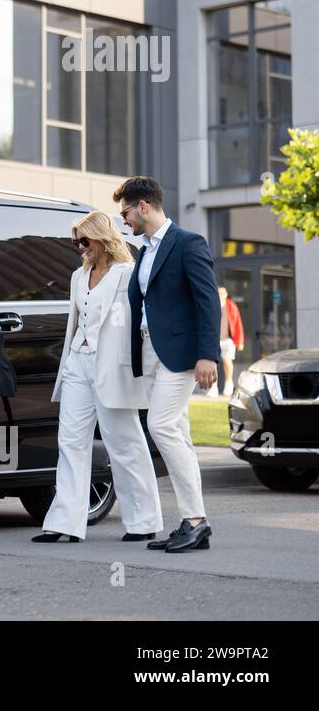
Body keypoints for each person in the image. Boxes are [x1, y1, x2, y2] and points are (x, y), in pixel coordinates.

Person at [33, 210, 163, 544]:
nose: (81, 247)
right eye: (76, 242)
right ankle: (65, 523)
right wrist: (71, 361)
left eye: (84, 240)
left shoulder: (128, 273)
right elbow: (77, 321)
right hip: (78, 363)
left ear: (102, 238)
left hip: (112, 368)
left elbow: (143, 322)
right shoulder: (78, 276)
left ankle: (143, 521)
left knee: (124, 443)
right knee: (70, 442)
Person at [113, 176, 220, 553]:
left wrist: (208, 354)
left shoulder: (188, 243)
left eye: (125, 212)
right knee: (179, 433)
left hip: (180, 354)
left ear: (143, 206)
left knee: (160, 425)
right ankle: (193, 522)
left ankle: (196, 520)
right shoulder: (144, 251)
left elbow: (208, 300)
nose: (124, 219)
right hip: (150, 351)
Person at [215, 286, 245, 398]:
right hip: (215, 340)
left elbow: (237, 323)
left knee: (227, 361)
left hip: (228, 339)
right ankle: (213, 386)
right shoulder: (213, 304)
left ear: (226, 294)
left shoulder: (231, 306)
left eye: (223, 293)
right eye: (219, 293)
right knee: (213, 363)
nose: (220, 295)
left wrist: (240, 341)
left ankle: (228, 383)